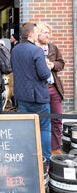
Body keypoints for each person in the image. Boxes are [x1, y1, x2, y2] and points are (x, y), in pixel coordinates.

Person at [11, 22, 51, 161]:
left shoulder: (15, 49)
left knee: (26, 129)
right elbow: (44, 74)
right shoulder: (36, 50)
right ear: (30, 35)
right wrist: (48, 68)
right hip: (37, 96)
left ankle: (27, 158)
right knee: (44, 128)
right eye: (35, 32)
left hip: (21, 96)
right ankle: (44, 159)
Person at [36, 22, 65, 155]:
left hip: (54, 88)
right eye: (45, 32)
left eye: (49, 33)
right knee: (42, 121)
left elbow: (61, 64)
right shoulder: (33, 48)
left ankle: (55, 149)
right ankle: (41, 149)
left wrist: (53, 65)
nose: (48, 35)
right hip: (40, 89)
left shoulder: (53, 48)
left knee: (57, 119)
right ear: (38, 33)